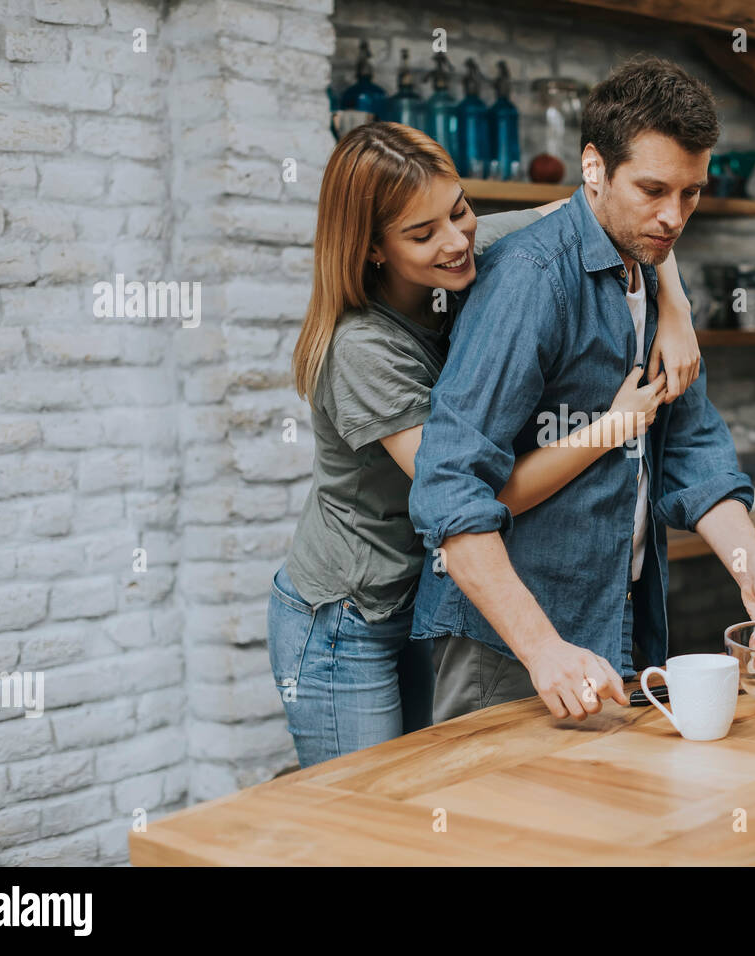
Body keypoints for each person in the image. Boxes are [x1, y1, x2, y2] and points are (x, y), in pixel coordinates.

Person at [268, 121, 703, 768]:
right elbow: (472, 495)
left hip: (426, 594)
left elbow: (621, 220)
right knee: (368, 813)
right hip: (346, 618)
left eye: (461, 209)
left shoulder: (468, 246)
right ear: (373, 249)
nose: (455, 239)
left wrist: (678, 316)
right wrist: (612, 429)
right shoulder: (363, 350)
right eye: (422, 234)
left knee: (428, 793)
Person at [410, 57, 755, 724]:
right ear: (594, 168)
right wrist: (543, 649)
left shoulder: (651, 277)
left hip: (618, 616)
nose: (673, 217)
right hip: (511, 646)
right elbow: (449, 493)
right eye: (653, 189)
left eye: (690, 193)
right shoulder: (532, 282)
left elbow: (694, 450)